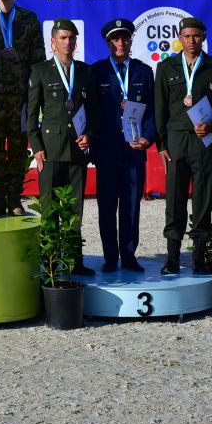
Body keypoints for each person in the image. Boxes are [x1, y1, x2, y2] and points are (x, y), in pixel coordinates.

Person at [154, 17, 212, 275]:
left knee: (203, 197)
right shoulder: (166, 67)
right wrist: (161, 144)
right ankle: (172, 259)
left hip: (204, 140)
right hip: (177, 141)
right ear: (179, 38)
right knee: (174, 199)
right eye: (187, 36)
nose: (191, 40)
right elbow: (159, 109)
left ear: (203, 36)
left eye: (196, 36)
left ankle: (199, 258)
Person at [28, 19, 99, 276]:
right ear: (53, 42)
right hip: (50, 151)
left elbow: (94, 112)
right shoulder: (40, 71)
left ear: (76, 42)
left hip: (77, 150)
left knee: (74, 209)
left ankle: (73, 261)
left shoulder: (86, 72)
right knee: (49, 209)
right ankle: (49, 263)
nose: (67, 42)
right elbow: (31, 115)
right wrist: (37, 147)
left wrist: (90, 135)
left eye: (71, 38)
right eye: (63, 38)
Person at [91, 18, 156, 273]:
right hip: (106, 152)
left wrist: (148, 138)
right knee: (107, 207)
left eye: (125, 39)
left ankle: (129, 256)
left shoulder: (143, 71)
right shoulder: (97, 72)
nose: (121, 43)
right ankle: (110, 257)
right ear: (108, 43)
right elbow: (91, 111)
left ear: (130, 42)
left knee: (131, 207)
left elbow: (152, 111)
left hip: (134, 152)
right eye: (116, 39)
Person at [0, 0, 45, 217]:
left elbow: (39, 59)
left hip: (21, 97)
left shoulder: (29, 19)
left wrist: (35, 94)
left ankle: (15, 197)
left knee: (18, 148)